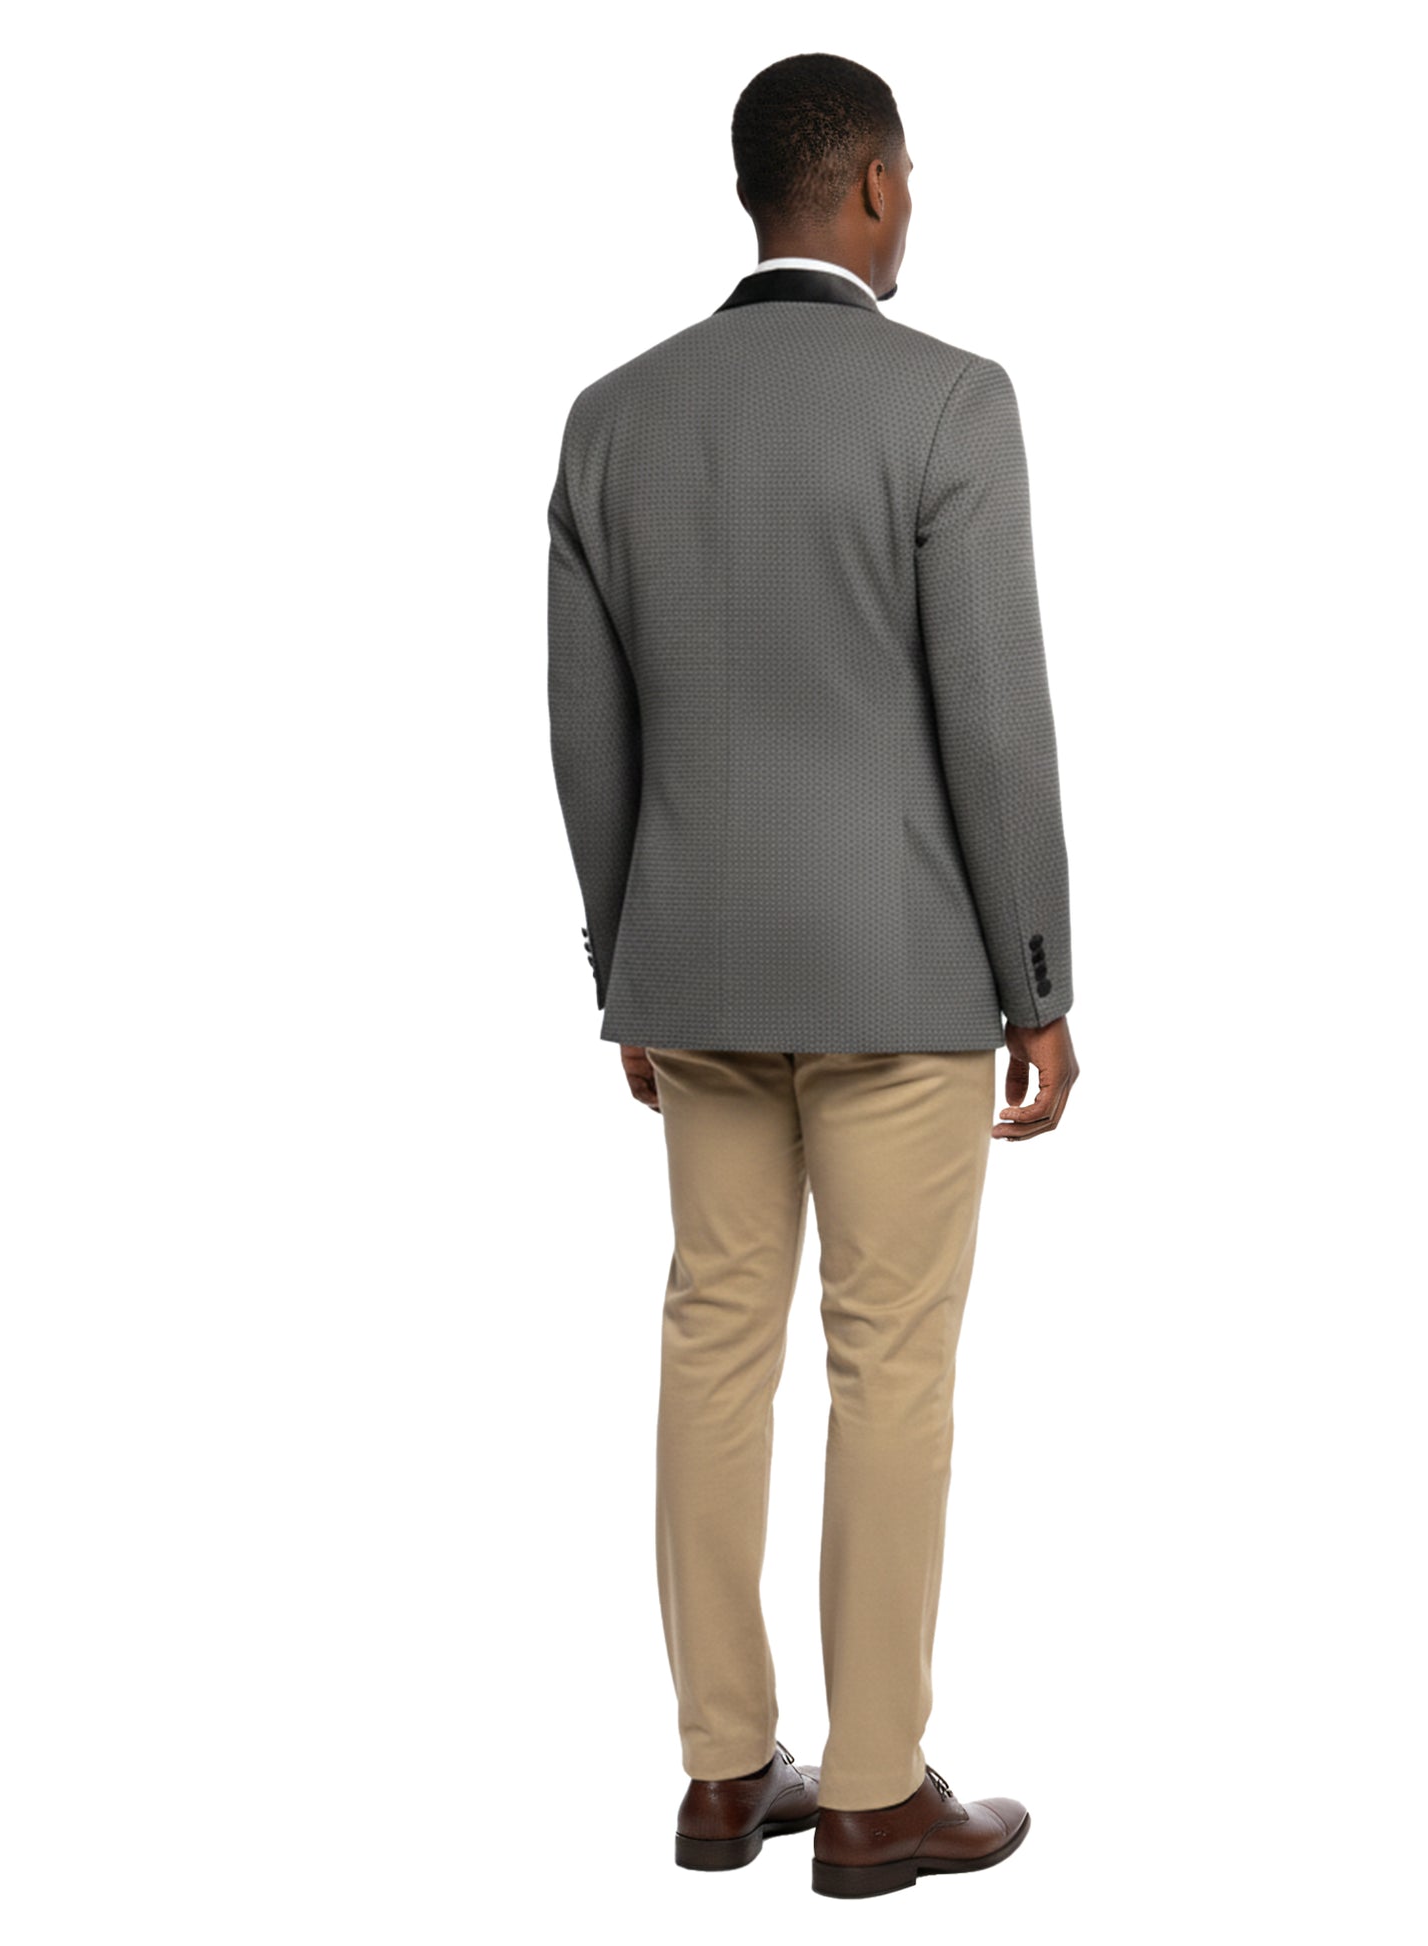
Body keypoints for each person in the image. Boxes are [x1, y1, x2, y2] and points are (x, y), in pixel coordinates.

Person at [545, 51, 1078, 1900]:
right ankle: (868, 1792)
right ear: (866, 188)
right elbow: (991, 722)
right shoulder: (948, 402)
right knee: (888, 1364)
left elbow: (585, 732)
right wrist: (1036, 980)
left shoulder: (611, 419)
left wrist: (626, 963)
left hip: (691, 968)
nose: (909, 206)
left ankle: (719, 1773)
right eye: (905, 180)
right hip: (902, 975)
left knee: (711, 1341)